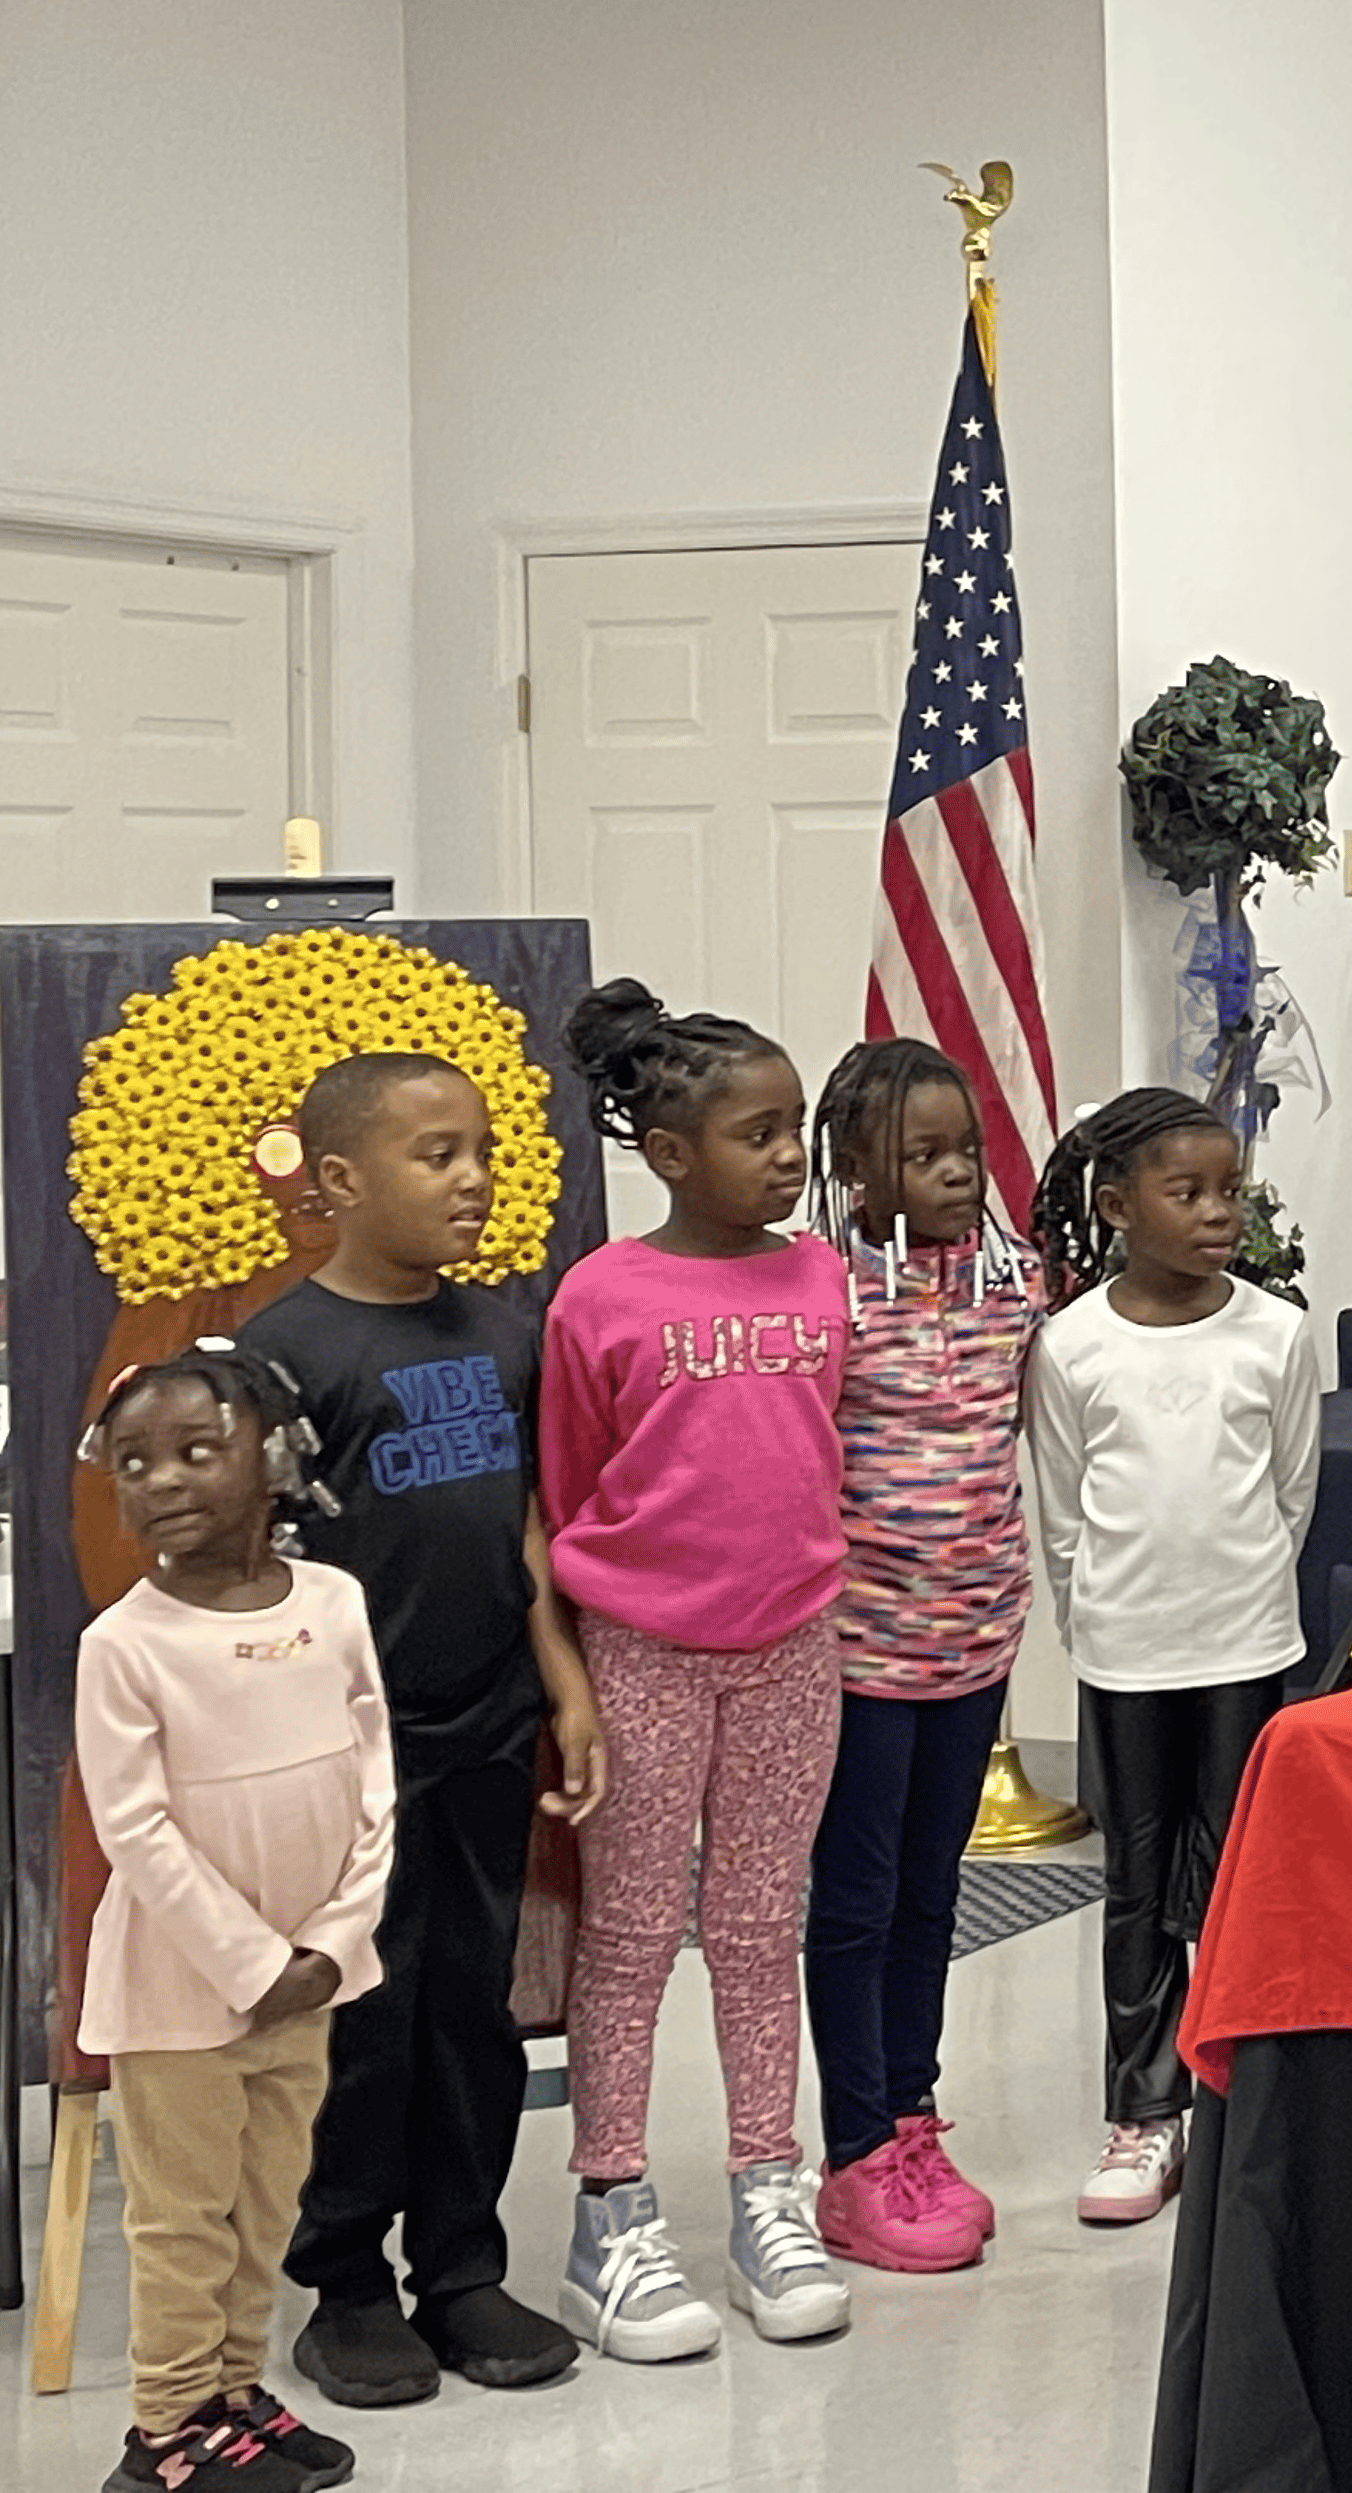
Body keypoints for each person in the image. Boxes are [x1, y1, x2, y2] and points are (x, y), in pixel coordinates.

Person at [251, 1054, 600, 2409]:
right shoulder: (281, 1358)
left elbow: (526, 1522)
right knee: (363, 2018)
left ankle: (459, 2262)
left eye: (481, 1152)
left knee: (472, 2008)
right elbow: (253, 1572)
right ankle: (344, 2278)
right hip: (344, 1762)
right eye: (435, 1155)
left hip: (486, 1729)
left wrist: (561, 1679)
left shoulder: (507, 1334)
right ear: (337, 1182)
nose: (472, 1180)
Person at [540, 980, 852, 2359]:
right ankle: (611, 2205)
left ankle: (765, 2188)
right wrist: (580, 1667)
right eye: (759, 1133)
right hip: (643, 1654)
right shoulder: (600, 1295)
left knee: (755, 1930)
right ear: (670, 1153)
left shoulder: (821, 1276)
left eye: (795, 1130)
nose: (790, 1156)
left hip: (792, 1650)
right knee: (626, 1934)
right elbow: (567, 1493)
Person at [77, 1344, 393, 2491]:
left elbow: (373, 1787)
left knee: (265, 2205)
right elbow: (137, 1830)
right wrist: (252, 1962)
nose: (162, 1481)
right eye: (134, 1464)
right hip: (184, 1995)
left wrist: (330, 1946)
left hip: (310, 1976)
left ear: (272, 1459)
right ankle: (166, 2430)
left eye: (196, 1452)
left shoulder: (334, 1603)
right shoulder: (121, 1646)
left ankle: (233, 2397)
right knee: (184, 2219)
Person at [1025, 1087, 1326, 2226]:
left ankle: (1242, 2096)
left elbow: (1290, 1491)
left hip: (1245, 1643)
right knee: (1139, 1887)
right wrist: (1098, 1622)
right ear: (1116, 1206)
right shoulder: (1073, 1344)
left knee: (1244, 1877)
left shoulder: (1275, 1331)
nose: (1216, 1216)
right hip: (1126, 1656)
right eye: (1185, 1193)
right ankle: (1145, 2112)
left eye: (1229, 1193)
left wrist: (1238, 1598)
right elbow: (1061, 1511)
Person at [800, 1038, 1042, 2273]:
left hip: (976, 1634)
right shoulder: (821, 1287)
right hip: (855, 1651)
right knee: (858, 1899)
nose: (956, 1175)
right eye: (923, 1155)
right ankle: (851, 2153)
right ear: (851, 1167)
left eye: (967, 1151)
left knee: (936, 1892)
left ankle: (909, 2119)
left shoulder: (1015, 1280)